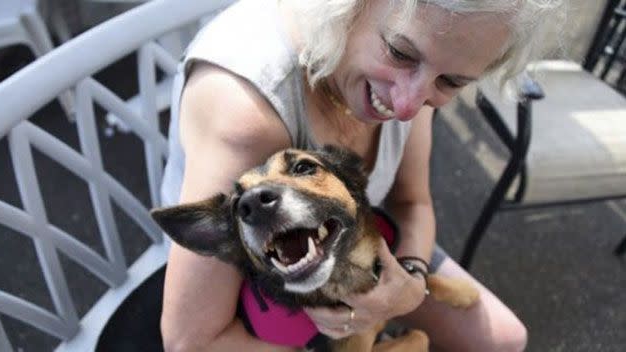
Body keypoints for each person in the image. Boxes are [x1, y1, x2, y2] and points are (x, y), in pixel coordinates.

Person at [159, 0, 563, 350]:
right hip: (248, 292)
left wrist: (410, 282)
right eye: (400, 52)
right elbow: (190, 341)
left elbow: (412, 203)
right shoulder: (246, 109)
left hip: (360, 238)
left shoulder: (417, 76)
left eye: (452, 81)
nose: (407, 107)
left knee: (507, 339)